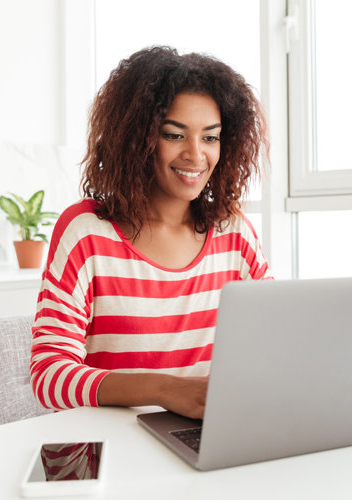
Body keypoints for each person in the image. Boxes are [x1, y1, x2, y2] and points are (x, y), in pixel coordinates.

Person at [30, 46, 271, 420]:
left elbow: (274, 338)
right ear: (136, 140)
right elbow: (48, 376)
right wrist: (166, 390)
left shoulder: (234, 232)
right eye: (174, 135)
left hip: (207, 437)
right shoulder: (87, 234)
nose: (196, 154)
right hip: (113, 450)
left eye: (210, 137)